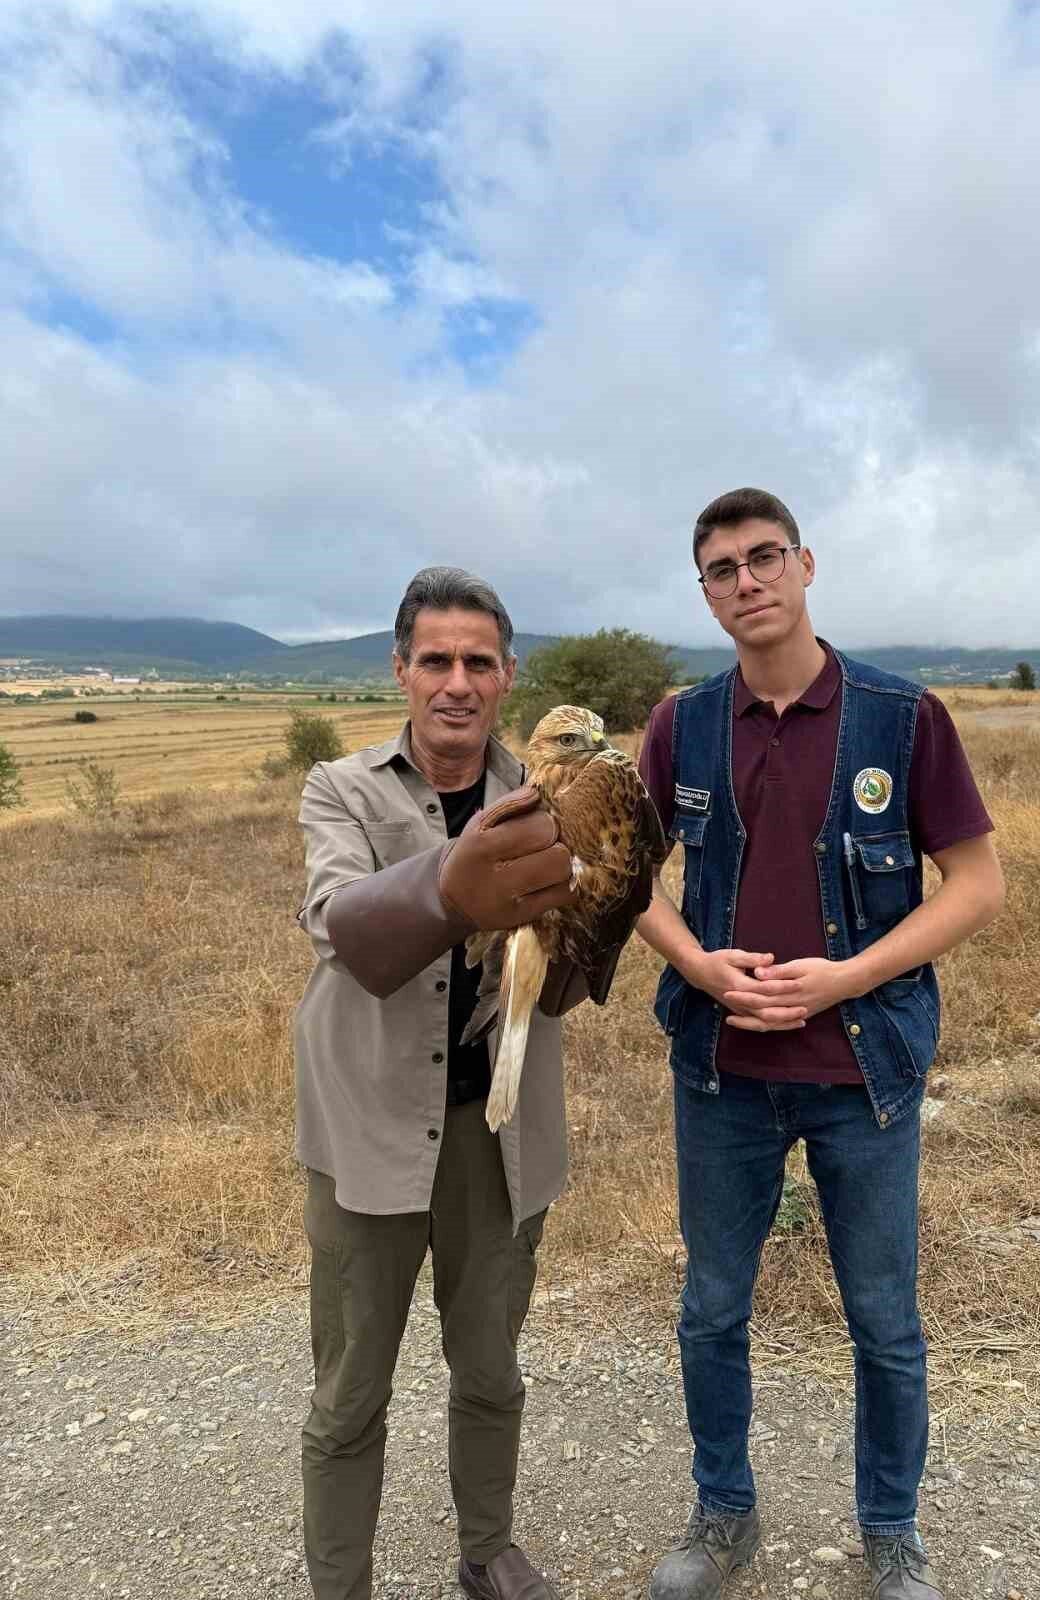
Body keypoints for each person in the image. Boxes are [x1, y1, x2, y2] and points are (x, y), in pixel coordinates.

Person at [635, 489, 1005, 1600]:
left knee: (885, 1319)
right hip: (722, 1074)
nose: (744, 582)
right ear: (704, 593)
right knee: (712, 1307)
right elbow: (617, 880)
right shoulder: (682, 725)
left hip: (865, 1076)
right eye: (719, 569)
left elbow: (978, 885)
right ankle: (724, 1516)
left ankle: (891, 1531)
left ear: (806, 564)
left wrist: (849, 975)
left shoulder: (902, 718)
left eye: (762, 559)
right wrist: (696, 961)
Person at [293, 566, 582, 1600]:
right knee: (350, 1389)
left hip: (498, 1129)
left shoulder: (550, 797)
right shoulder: (342, 790)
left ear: (508, 676)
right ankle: (342, 1586)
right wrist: (460, 879)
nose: (455, 682)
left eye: (478, 661)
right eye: (435, 660)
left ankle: (488, 1547)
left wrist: (604, 898)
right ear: (401, 671)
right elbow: (347, 930)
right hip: (369, 1127)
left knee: (492, 1366)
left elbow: (568, 983)